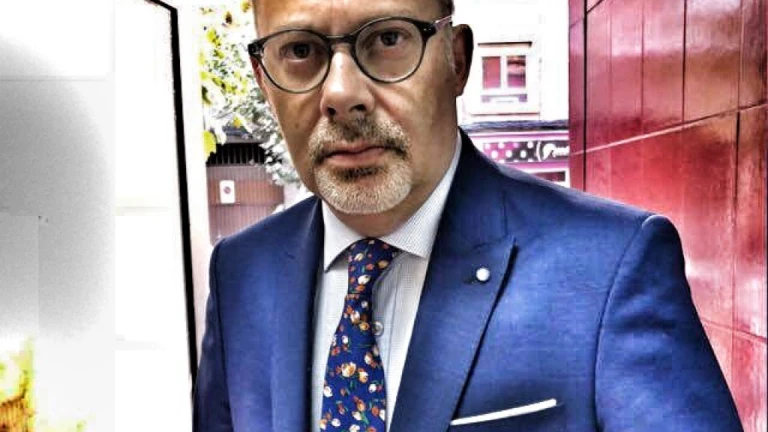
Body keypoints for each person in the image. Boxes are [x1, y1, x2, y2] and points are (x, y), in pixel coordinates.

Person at [193, 0, 743, 430]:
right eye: (299, 50)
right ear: (263, 78)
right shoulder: (241, 272)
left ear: (456, 61)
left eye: (388, 39)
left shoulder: (609, 269)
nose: (341, 93)